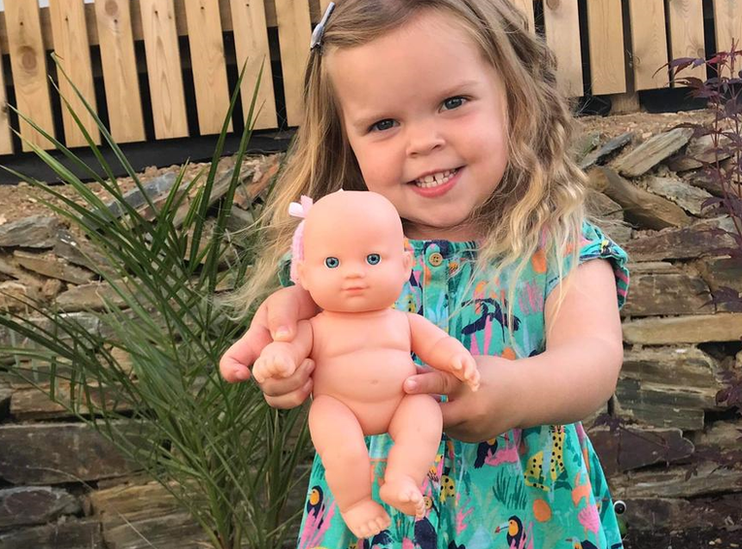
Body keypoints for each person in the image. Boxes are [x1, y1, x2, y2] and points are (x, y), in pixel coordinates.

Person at [220, 0, 630, 547]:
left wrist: (514, 392)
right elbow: (298, 336)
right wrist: (286, 359)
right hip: (378, 514)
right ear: (347, 139)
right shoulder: (350, 251)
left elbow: (595, 362)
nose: (422, 141)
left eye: (453, 102)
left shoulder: (557, 243)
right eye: (384, 123)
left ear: (515, 98)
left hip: (532, 515)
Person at [253, 191, 480, 537]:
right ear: (304, 275)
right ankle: (356, 502)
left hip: (401, 401)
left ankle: (402, 478)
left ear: (405, 265)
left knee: (425, 414)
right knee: (343, 449)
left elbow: (437, 343)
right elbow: (290, 348)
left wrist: (457, 359)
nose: (354, 274)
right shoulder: (315, 328)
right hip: (338, 408)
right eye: (332, 263)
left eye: (373, 258)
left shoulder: (402, 321)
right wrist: (277, 358)